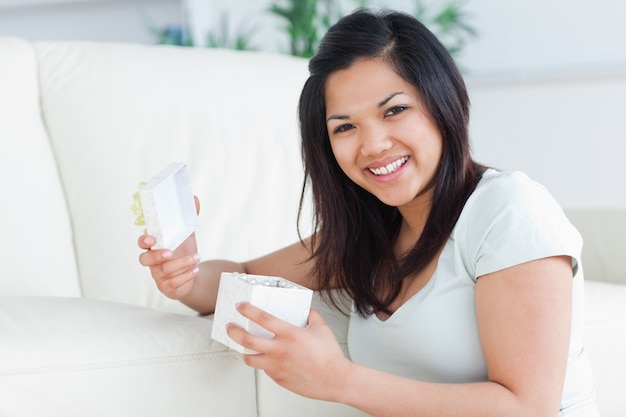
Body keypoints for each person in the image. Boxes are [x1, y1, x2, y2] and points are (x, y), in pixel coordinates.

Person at [138, 9, 598, 417]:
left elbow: (528, 408)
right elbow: (240, 275)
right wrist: (185, 275)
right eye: (345, 127)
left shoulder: (508, 211)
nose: (373, 144)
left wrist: (338, 380)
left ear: (444, 102)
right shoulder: (370, 236)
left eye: (394, 110)